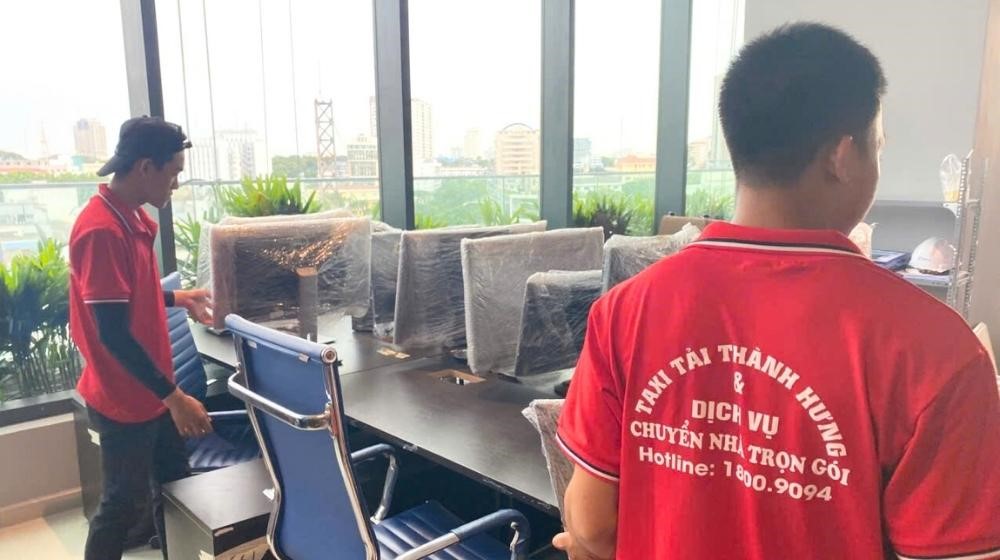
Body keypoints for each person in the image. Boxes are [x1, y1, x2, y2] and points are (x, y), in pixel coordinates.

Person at [553, 22, 1000, 560]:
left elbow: (593, 524)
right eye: (877, 147)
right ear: (842, 156)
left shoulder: (625, 309)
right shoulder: (938, 349)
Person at [69, 116, 214, 560]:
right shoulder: (102, 230)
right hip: (125, 396)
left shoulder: (129, 217)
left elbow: (127, 295)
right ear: (145, 168)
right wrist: (175, 398)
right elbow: (112, 331)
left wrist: (176, 297)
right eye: (173, 173)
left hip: (151, 390)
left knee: (175, 490)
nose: (176, 184)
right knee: (121, 505)